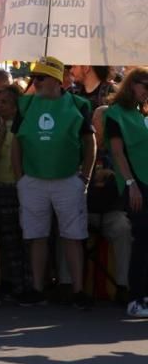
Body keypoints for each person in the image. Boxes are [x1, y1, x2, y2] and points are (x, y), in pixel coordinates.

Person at [11, 56, 96, 309]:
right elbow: (17, 143)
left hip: (68, 179)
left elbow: (89, 142)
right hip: (33, 181)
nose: (35, 82)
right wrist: (20, 178)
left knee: (73, 236)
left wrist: (85, 177)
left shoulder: (78, 104)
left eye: (40, 77)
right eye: (34, 77)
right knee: (36, 235)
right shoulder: (25, 105)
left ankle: (78, 291)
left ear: (57, 80)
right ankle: (38, 289)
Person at [104, 67, 148, 317]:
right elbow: (118, 152)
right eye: (145, 87)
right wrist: (131, 184)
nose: (147, 93)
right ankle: (135, 298)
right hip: (135, 183)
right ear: (132, 84)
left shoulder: (141, 112)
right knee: (142, 239)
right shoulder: (115, 114)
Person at [0, 84, 27, 297]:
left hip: (20, 187)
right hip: (0, 187)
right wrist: (1, 133)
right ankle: (10, 280)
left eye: (5, 102)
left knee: (24, 237)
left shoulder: (25, 127)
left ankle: (26, 282)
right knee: (6, 238)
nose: (0, 106)